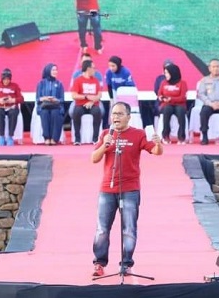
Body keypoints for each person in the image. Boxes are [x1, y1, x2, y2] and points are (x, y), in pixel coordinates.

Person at [90, 101, 163, 277]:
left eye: (120, 114)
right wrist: (104, 145)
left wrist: (158, 143)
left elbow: (156, 151)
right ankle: (99, 263)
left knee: (129, 229)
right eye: (114, 114)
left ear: (129, 117)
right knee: (102, 229)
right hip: (107, 189)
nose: (116, 117)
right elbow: (94, 158)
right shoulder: (106, 134)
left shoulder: (138, 134)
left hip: (130, 189)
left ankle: (126, 264)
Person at [196, 59, 219, 145]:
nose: (215, 69)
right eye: (213, 67)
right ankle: (205, 137)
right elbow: (201, 94)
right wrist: (210, 104)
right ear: (209, 68)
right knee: (203, 112)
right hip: (210, 104)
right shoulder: (204, 80)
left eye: (217, 66)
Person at [0, 68, 23, 146]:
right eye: (5, 79)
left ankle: (10, 136)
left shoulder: (15, 86)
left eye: (8, 79)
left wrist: (12, 100)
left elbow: (21, 99)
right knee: (0, 113)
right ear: (2, 78)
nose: (6, 81)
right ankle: (1, 136)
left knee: (13, 113)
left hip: (11, 106)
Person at [71, 60, 103, 145]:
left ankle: (95, 139)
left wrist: (92, 101)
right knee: (76, 112)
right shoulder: (78, 80)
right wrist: (85, 97)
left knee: (97, 112)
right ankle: (77, 139)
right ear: (88, 69)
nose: (95, 70)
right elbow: (74, 95)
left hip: (93, 104)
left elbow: (99, 95)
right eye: (93, 68)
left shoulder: (95, 80)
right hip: (81, 104)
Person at [157, 63, 188, 144]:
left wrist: (171, 99)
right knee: (167, 109)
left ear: (173, 72)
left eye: (167, 73)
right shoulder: (163, 83)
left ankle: (181, 137)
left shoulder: (182, 83)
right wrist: (160, 97)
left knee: (180, 111)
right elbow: (159, 93)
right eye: (165, 73)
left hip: (179, 104)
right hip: (166, 104)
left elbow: (182, 98)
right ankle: (165, 136)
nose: (165, 75)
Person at [36, 63, 65, 145]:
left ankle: (54, 138)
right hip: (44, 106)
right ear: (48, 71)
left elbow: (62, 99)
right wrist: (45, 98)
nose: (55, 71)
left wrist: (55, 100)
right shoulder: (41, 83)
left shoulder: (59, 83)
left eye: (56, 70)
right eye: (53, 70)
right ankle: (47, 137)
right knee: (44, 113)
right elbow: (38, 99)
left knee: (55, 113)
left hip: (56, 106)